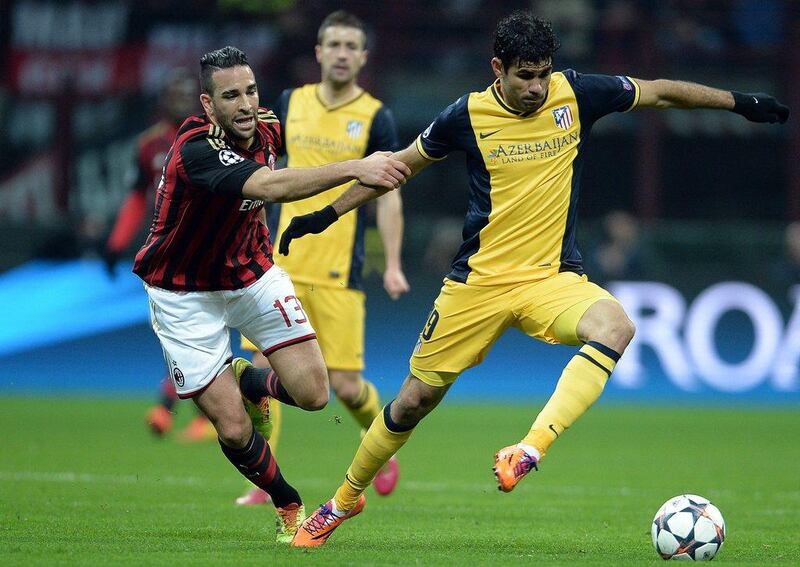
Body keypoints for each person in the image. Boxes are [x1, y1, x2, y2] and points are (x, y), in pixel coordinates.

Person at [277, 11, 789, 547]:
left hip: (551, 279)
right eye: (525, 75)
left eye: (544, 73)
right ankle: (343, 500)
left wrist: (741, 102)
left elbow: (660, 92)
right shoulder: (465, 115)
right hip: (477, 285)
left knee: (616, 327)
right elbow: (396, 168)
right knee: (411, 403)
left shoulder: (576, 95)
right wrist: (325, 215)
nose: (537, 87)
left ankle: (528, 449)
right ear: (497, 68)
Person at [132, 45, 410, 543]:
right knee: (235, 429)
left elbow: (278, 170)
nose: (244, 104)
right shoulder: (196, 148)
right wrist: (356, 166)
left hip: (250, 275)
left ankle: (246, 378)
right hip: (182, 292)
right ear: (208, 103)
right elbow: (272, 186)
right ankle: (288, 504)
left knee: (314, 393)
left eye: (250, 91)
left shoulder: (268, 127)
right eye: (230, 96)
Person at [235, 9, 409, 507]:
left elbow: (390, 191)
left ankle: (381, 446)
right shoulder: (290, 103)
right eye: (332, 44)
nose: (340, 53)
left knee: (348, 387)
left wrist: (393, 262)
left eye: (350, 46)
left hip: (338, 271)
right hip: (278, 264)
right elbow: (263, 171)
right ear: (318, 52)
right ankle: (265, 481)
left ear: (363, 57)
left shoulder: (377, 115)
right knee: (262, 372)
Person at [101, 69, 215, 441]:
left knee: (198, 331)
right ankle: (195, 410)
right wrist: (116, 243)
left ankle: (181, 408)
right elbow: (137, 197)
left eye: (188, 93)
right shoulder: (148, 145)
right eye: (174, 93)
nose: (181, 99)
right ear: (162, 100)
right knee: (178, 333)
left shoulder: (214, 139)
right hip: (166, 253)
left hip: (211, 249)